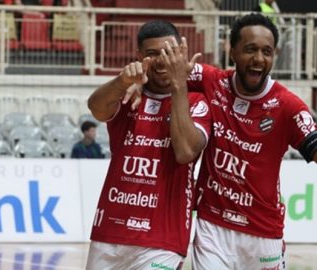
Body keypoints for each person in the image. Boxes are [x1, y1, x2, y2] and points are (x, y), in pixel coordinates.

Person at [184, 13, 317, 269]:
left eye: (267, 51)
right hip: (213, 227)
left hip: (263, 233)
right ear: (231, 51)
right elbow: (166, 74)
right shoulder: (212, 81)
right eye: (250, 49)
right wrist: (136, 84)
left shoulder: (288, 105)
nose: (259, 59)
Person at [85, 20, 211, 269]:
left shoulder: (197, 102)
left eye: (169, 52)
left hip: (162, 239)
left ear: (180, 54)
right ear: (139, 56)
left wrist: (178, 86)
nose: (162, 61)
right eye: (153, 54)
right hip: (110, 232)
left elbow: (185, 152)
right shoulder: (127, 93)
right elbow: (96, 108)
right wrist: (122, 81)